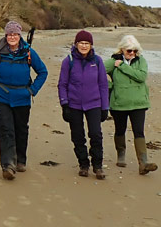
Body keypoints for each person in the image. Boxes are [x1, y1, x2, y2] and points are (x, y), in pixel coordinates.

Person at [0, 20, 48, 180]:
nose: (12, 37)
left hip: (22, 98)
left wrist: (32, 90)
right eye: (9, 34)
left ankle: (20, 159)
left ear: (19, 35)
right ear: (6, 35)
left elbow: (43, 72)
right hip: (1, 96)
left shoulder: (28, 52)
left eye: (15, 34)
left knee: (21, 130)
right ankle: (8, 165)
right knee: (6, 129)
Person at [58, 30, 109, 179]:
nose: (84, 46)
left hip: (94, 104)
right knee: (78, 136)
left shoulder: (97, 61)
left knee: (95, 134)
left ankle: (98, 166)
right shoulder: (69, 61)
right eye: (81, 43)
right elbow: (62, 84)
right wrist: (64, 104)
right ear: (76, 44)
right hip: (74, 105)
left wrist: (105, 107)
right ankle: (83, 164)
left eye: (87, 43)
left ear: (91, 45)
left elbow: (103, 85)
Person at [104, 35, 158, 175]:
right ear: (122, 50)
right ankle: (121, 155)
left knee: (138, 131)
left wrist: (122, 66)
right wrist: (110, 86)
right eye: (129, 51)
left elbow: (141, 77)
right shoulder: (112, 61)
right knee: (120, 129)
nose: (132, 53)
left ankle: (143, 163)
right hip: (119, 104)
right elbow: (97, 73)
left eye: (134, 50)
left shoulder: (141, 61)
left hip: (139, 103)